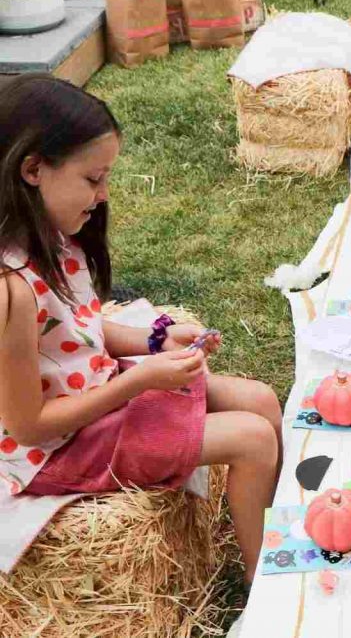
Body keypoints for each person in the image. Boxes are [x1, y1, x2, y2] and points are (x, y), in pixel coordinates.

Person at [0, 74, 282, 584]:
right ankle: (264, 581)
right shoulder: (9, 290)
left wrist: (154, 339)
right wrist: (140, 380)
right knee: (252, 438)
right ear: (33, 169)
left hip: (97, 400)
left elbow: (79, 327)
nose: (104, 194)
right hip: (59, 449)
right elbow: (30, 426)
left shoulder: (57, 240)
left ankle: (275, 528)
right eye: (93, 179)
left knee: (260, 399)